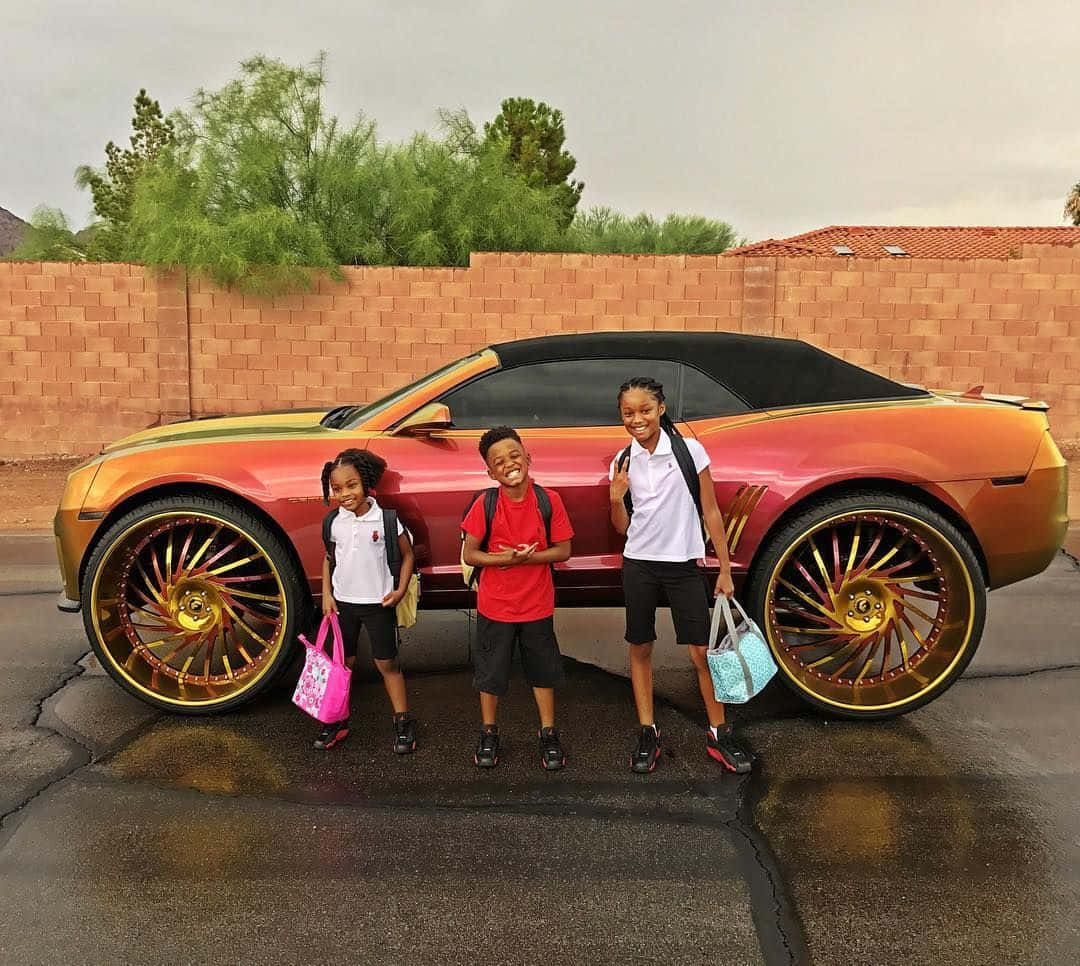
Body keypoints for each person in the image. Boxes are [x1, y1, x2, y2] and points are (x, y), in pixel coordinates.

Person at [608, 376, 753, 774]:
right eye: (628, 413)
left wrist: (724, 568)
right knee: (640, 647)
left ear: (661, 409)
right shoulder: (622, 462)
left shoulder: (689, 451)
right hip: (638, 563)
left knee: (701, 653)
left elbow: (711, 512)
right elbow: (621, 527)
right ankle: (647, 730)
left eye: (645, 410)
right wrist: (616, 497)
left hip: (683, 565)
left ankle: (719, 732)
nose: (637, 419)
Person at [461, 426, 574, 770]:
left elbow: (564, 550)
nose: (509, 464)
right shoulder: (486, 503)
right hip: (495, 606)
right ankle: (489, 732)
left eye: (514, 455)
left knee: (543, 671)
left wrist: (531, 556)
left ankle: (548, 733)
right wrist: (505, 560)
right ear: (490, 471)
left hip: (537, 604)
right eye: (499, 462)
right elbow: (471, 554)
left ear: (528, 457)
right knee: (490, 674)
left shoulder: (548, 500)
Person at [316, 448, 417, 755]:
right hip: (343, 606)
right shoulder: (334, 522)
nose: (345, 494)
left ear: (366, 483)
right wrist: (326, 594)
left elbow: (408, 554)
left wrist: (399, 590)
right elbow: (329, 558)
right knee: (341, 666)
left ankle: (402, 721)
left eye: (352, 485)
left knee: (387, 663)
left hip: (378, 604)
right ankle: (337, 721)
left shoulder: (386, 520)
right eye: (337, 489)